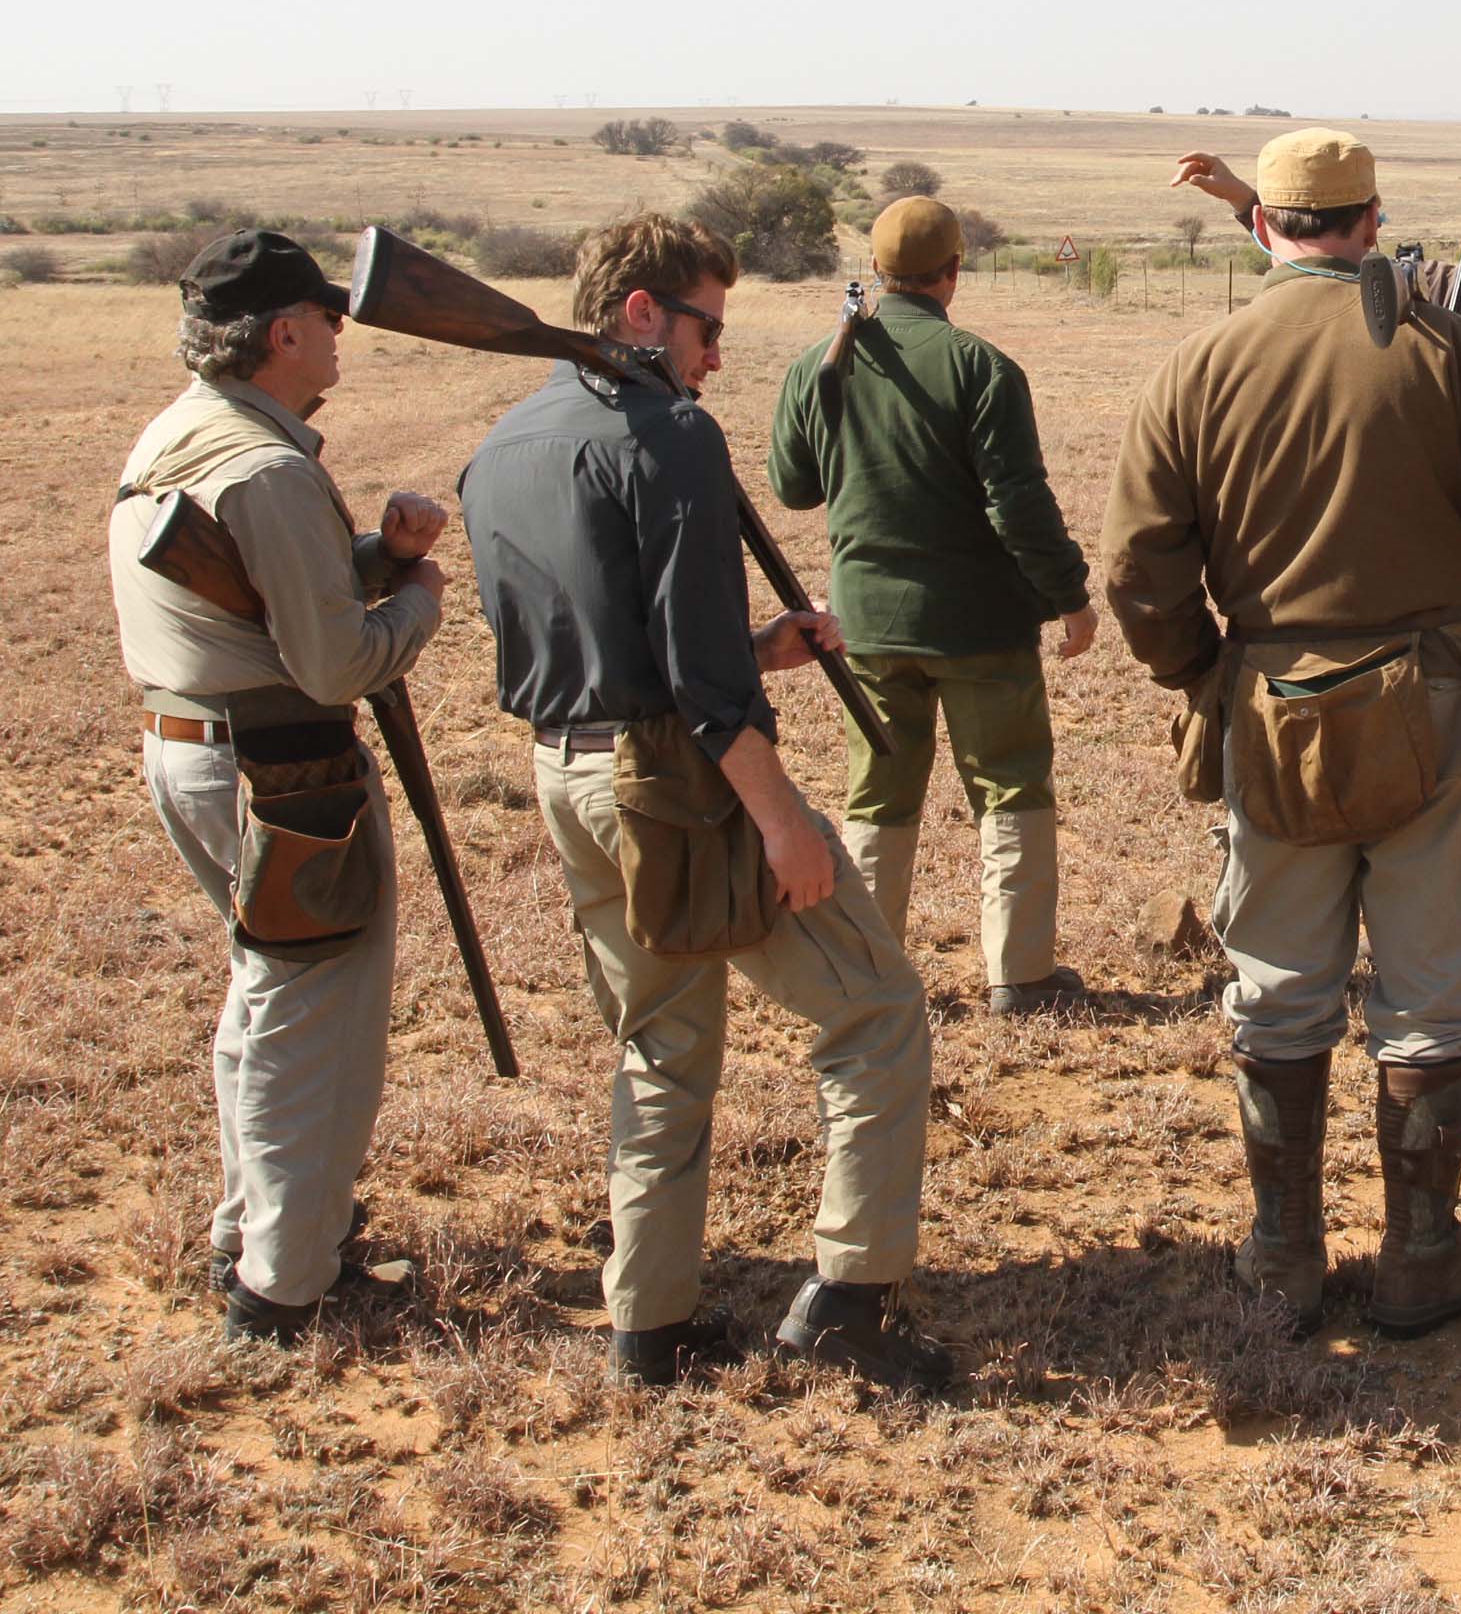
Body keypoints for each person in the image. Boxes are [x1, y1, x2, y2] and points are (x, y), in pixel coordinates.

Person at [457, 213, 949, 1392]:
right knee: (876, 1016)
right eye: (707, 329)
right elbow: (695, 685)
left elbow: (609, 629)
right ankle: (851, 1300)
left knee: (661, 1050)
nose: (715, 359)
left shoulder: (504, 444)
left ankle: (651, 1322)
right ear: (640, 312)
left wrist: (750, 644)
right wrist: (779, 819)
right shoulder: (668, 434)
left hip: (565, 775)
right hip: (677, 778)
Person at [1109, 130, 1461, 1336]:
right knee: (1433, 990)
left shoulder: (1198, 365)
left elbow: (1141, 573)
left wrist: (1207, 672)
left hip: (1270, 714)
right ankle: (1423, 1256)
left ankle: (1281, 1258)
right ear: (1371, 222)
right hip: (1429, 702)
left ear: (1264, 225)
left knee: (1275, 988)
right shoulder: (1451, 348)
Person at [1168, 136, 1461, 993]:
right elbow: (1318, 281)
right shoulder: (1435, 299)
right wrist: (1244, 200)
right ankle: (1424, 923)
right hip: (1429, 555)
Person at [108, 229, 446, 1342]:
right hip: (279, 776)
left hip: (192, 748)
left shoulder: (182, 431)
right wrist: (418, 599)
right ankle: (285, 1282)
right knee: (313, 1017)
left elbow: (251, 591)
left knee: (268, 996)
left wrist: (364, 559)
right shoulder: (266, 466)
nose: (342, 332)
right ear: (285, 331)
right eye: (327, 316)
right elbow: (337, 663)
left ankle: (252, 1230)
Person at [768, 196, 1099, 1013]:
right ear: (955, 271)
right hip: (981, 626)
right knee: (1011, 786)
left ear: (876, 272)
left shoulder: (823, 361)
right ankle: (1019, 978)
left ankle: (870, 970)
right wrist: (1071, 596)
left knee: (877, 794)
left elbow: (792, 487)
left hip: (867, 628)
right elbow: (1017, 506)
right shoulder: (981, 367)